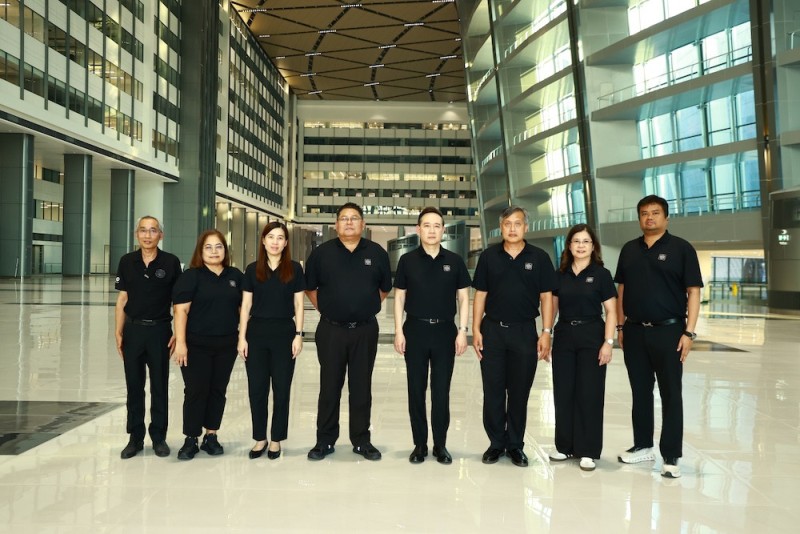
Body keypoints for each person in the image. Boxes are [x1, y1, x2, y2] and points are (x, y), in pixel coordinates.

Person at [615, 195, 702, 479]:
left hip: (669, 331)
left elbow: (694, 292)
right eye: (644, 213)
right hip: (635, 331)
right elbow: (621, 291)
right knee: (640, 391)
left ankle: (671, 455)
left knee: (670, 393)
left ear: (666, 217)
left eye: (655, 213)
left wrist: (689, 332)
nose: (649, 217)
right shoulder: (629, 249)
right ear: (639, 218)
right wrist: (620, 328)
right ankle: (642, 445)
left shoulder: (682, 249)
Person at [304, 202, 392, 461]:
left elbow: (384, 289)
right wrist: (329, 309)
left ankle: (362, 440)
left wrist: (364, 307)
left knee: (361, 387)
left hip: (365, 330)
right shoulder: (322, 254)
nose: (349, 222)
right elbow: (310, 287)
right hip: (331, 330)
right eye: (344, 218)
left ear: (363, 224)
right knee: (329, 387)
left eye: (354, 218)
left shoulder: (376, 253)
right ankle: (325, 440)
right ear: (336, 225)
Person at [472, 206, 557, 467]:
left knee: (519, 392)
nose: (512, 228)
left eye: (517, 223)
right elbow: (480, 295)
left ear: (526, 227)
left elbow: (547, 297)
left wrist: (546, 332)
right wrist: (475, 329)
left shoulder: (539, 257)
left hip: (524, 332)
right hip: (493, 331)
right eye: (507, 223)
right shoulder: (489, 257)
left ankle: (516, 445)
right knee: (493, 391)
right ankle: (496, 443)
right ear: (501, 227)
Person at [393, 207, 471, 465]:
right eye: (426, 225)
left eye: (437, 225)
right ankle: (420, 444)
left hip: (445, 332)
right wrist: (398, 330)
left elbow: (463, 298)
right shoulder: (407, 261)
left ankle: (440, 445)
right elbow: (399, 297)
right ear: (418, 229)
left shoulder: (454, 261)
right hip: (415, 331)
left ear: (443, 230)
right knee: (416, 390)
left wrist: (463, 331)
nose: (432, 230)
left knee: (441, 391)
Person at [548, 224, 617, 472]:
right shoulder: (560, 274)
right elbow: (552, 307)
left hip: (592, 335)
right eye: (576, 241)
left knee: (590, 393)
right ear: (569, 246)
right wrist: (546, 333)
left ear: (593, 246)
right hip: (565, 334)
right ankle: (564, 446)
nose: (580, 245)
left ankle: (588, 450)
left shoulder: (601, 274)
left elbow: (611, 311)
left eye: (585, 241)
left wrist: (608, 342)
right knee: (563, 391)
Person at [172, 230, 243, 460]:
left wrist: (243, 336)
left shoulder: (235, 276)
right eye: (208, 247)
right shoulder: (191, 276)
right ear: (200, 251)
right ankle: (191, 438)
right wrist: (181, 342)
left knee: (218, 390)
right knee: (195, 390)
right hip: (195, 345)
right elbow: (180, 311)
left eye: (218, 246)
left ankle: (211, 435)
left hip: (226, 345)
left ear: (225, 250)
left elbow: (243, 309)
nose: (214, 251)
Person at [114, 216, 182, 459]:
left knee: (160, 386)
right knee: (134, 386)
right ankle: (135, 437)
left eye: (153, 231)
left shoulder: (171, 262)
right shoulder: (127, 261)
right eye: (143, 230)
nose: (147, 235)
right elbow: (122, 299)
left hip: (160, 331)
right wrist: (118, 331)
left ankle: (159, 437)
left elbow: (178, 302)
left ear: (160, 235)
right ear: (137, 234)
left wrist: (178, 333)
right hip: (133, 331)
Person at [238, 222, 305, 460]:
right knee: (257, 389)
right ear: (263, 241)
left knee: (282, 389)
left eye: (280, 238)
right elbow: (246, 305)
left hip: (284, 332)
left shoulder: (294, 269)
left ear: (286, 243)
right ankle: (260, 438)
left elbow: (299, 304)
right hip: (256, 333)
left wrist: (299, 335)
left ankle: (276, 439)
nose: (275, 242)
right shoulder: (252, 269)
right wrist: (241, 337)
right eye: (271, 237)